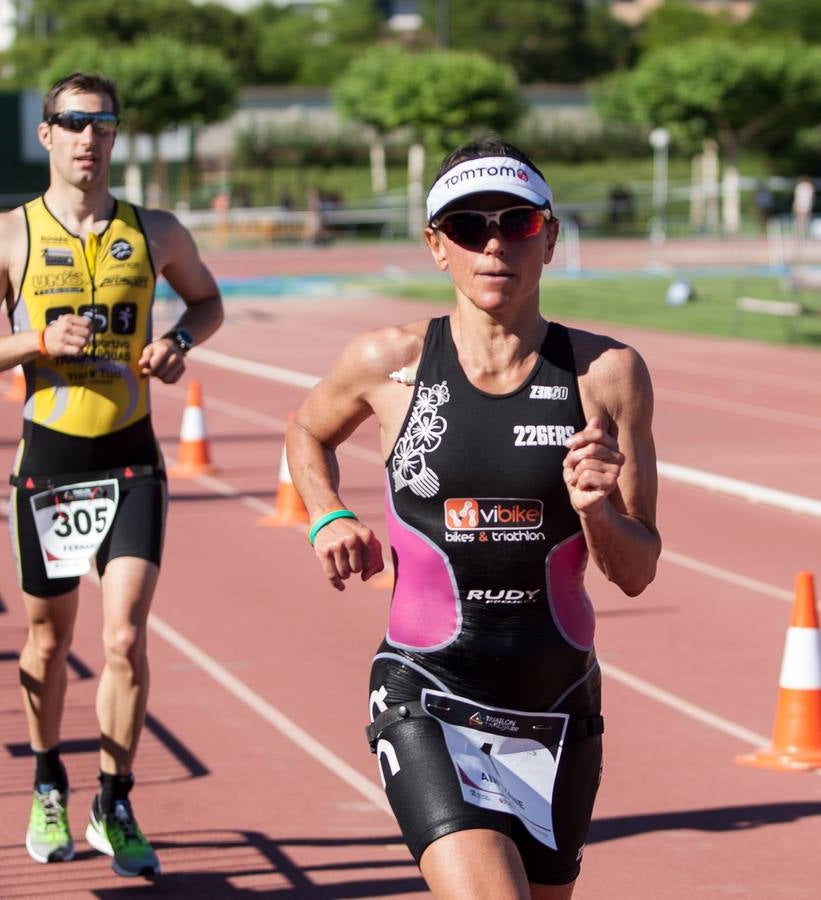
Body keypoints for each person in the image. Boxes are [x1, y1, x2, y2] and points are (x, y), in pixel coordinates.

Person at [286, 139, 660, 899]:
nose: (493, 245)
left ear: (548, 237)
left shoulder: (606, 375)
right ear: (435, 246)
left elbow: (636, 571)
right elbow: (305, 430)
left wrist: (594, 512)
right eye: (467, 226)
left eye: (515, 223)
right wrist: (327, 516)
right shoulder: (387, 364)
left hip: (556, 701)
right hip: (427, 687)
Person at [0, 71, 223, 876]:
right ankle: (45, 782)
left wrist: (178, 343)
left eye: (100, 123)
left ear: (115, 133)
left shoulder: (157, 231)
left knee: (126, 636)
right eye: (71, 123)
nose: (86, 138)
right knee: (47, 641)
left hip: (131, 455)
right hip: (53, 464)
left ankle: (115, 798)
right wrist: (35, 341)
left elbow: (206, 304)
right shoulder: (7, 235)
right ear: (46, 134)